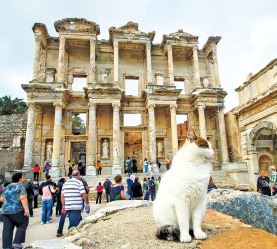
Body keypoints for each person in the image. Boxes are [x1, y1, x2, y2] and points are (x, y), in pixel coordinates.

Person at [0, 172, 29, 249]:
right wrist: (26, 209)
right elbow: (23, 198)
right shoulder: (20, 187)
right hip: (16, 209)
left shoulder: (7, 187)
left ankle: (6, 246)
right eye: (22, 177)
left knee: (7, 228)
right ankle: (16, 243)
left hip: (5, 210)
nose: (23, 179)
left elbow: (2, 199)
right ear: (19, 179)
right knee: (23, 224)